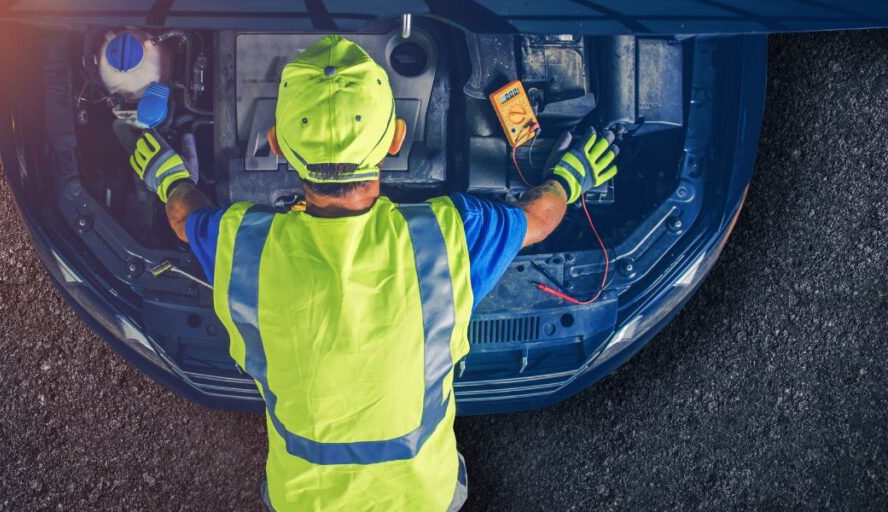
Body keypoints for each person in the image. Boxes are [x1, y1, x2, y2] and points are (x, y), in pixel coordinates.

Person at [127, 35, 618, 512]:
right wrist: (569, 176)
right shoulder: (452, 234)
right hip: (423, 497)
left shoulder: (240, 243)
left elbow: (183, 218)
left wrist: (168, 176)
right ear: (396, 138)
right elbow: (537, 222)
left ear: (275, 144)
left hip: (303, 501)